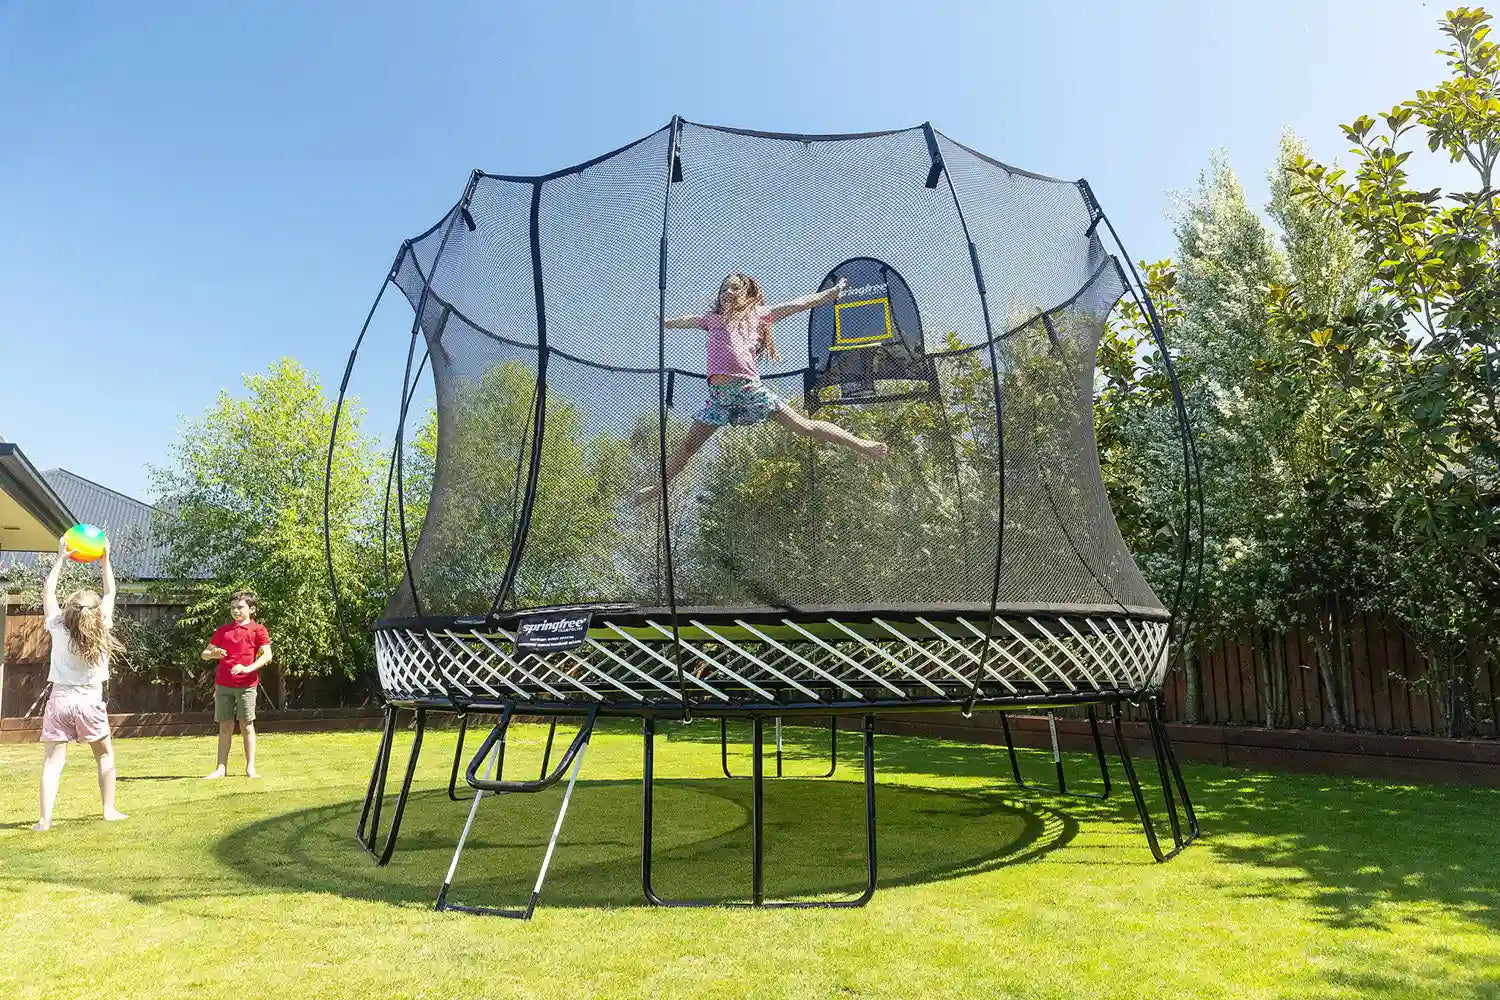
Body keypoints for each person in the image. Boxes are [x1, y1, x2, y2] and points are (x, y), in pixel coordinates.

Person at [639, 273, 888, 503]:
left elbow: (798, 304)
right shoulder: (711, 320)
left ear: (746, 293)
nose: (726, 292)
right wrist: (667, 323)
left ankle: (861, 444)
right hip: (718, 398)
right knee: (688, 446)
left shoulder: (758, 314)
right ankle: (657, 488)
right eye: (723, 289)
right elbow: (686, 321)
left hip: (750, 390)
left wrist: (830, 294)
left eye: (733, 288)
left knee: (804, 427)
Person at [33, 536, 127, 831]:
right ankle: (109, 810)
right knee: (104, 756)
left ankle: (44, 820)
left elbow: (48, 591)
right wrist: (104, 559)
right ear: (95, 612)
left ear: (70, 610)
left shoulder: (58, 626)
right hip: (89, 703)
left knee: (52, 764)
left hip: (60, 702)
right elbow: (110, 590)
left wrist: (60, 558)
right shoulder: (103, 624)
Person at [200, 591, 272, 779]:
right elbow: (205, 654)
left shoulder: (258, 630)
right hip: (223, 684)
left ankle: (250, 768)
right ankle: (221, 769)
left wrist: (248, 669)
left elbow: (267, 655)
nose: (236, 611)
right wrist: (214, 654)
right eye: (233, 608)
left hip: (247, 685)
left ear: (251, 609)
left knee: (247, 725)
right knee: (224, 726)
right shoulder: (223, 631)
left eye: (240, 607)